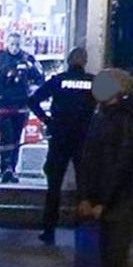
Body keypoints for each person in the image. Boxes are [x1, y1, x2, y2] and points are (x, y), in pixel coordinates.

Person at [71, 69, 133, 267]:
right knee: (95, 262)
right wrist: (85, 196)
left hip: (120, 204)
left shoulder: (126, 119)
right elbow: (90, 159)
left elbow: (120, 165)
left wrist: (103, 201)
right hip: (97, 200)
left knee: (114, 264)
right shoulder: (100, 115)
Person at [29, 46, 97, 244]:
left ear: (68, 60)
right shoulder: (93, 82)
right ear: (84, 61)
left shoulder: (58, 80)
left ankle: (49, 230)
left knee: (54, 185)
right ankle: (83, 228)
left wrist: (47, 120)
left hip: (59, 137)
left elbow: (33, 100)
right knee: (84, 186)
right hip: (83, 139)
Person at [0, 31, 43, 183]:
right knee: (6, 136)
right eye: (12, 44)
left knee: (15, 138)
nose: (14, 48)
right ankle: (5, 168)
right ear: (6, 43)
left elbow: (40, 78)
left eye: (17, 44)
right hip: (2, 104)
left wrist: (32, 90)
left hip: (21, 105)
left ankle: (12, 169)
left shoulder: (27, 59)